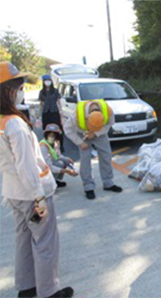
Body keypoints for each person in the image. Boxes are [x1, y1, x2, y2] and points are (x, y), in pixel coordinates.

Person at [0, 61, 74, 297]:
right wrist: (39, 196)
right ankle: (49, 292)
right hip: (33, 194)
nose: (22, 89)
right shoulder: (14, 125)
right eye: (19, 85)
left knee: (23, 240)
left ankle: (27, 287)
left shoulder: (2, 121)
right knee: (45, 243)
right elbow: (26, 165)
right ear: (8, 90)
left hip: (14, 194)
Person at [64, 99, 122, 199]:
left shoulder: (108, 111)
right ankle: (88, 187)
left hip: (101, 133)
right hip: (82, 134)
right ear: (87, 119)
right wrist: (80, 142)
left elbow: (110, 124)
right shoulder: (76, 115)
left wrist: (95, 133)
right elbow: (67, 129)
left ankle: (108, 183)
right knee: (85, 159)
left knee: (106, 156)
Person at [40, 123, 78, 188]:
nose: (51, 137)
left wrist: (67, 159)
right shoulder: (43, 146)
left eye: (53, 135)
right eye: (49, 135)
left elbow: (57, 155)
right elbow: (50, 167)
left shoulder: (55, 143)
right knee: (59, 164)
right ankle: (50, 184)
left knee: (65, 161)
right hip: (43, 169)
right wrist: (67, 171)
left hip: (51, 163)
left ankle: (55, 180)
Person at [39, 75, 64, 151]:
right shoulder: (41, 92)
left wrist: (61, 112)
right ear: (43, 82)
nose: (47, 82)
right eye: (46, 80)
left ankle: (60, 145)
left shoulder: (55, 91)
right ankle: (49, 145)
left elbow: (59, 102)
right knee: (47, 130)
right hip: (46, 113)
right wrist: (38, 115)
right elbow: (41, 104)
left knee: (58, 129)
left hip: (54, 112)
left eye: (49, 80)